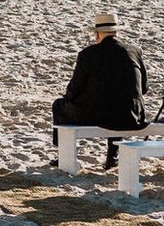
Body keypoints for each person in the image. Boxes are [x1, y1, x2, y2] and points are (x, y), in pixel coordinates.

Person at [50, 9, 150, 167]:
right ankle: (113, 156)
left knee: (58, 105)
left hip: (96, 115)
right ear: (116, 32)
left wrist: (67, 99)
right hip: (131, 115)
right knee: (117, 101)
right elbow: (144, 88)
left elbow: (74, 88)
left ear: (97, 34)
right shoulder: (134, 51)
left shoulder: (88, 54)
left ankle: (62, 154)